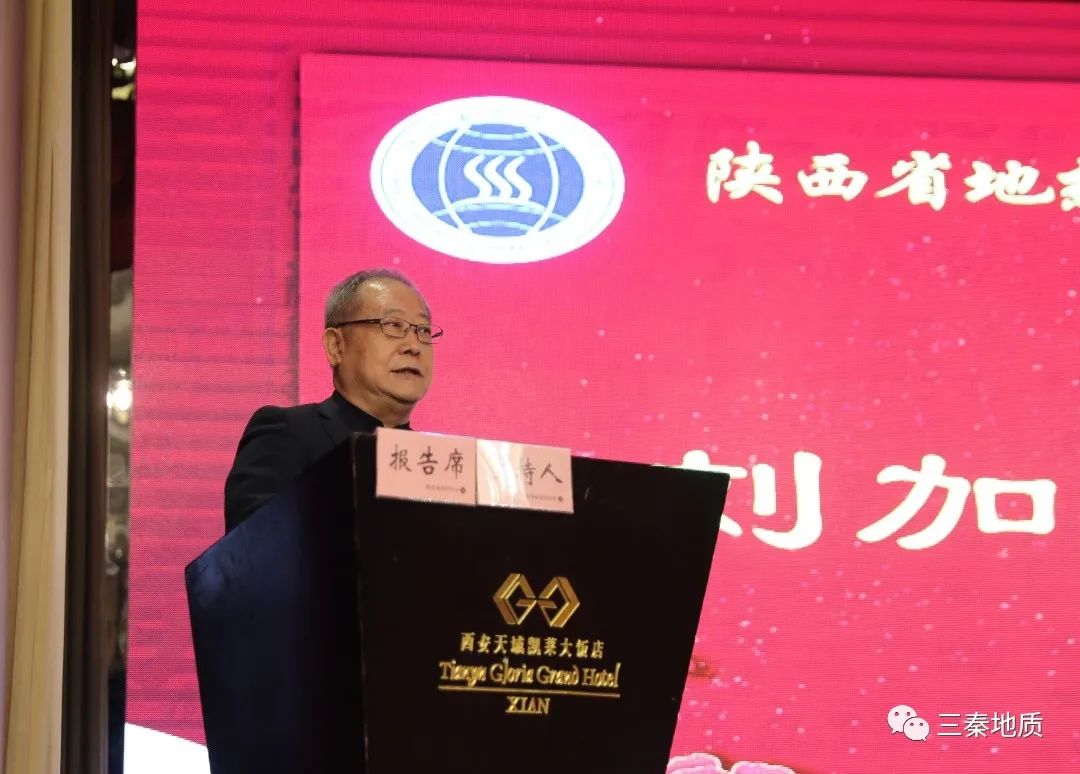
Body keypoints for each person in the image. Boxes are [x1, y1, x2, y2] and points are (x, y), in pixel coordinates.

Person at [223, 268, 440, 531]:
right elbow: (253, 542)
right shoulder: (287, 432)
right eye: (393, 325)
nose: (414, 346)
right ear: (336, 346)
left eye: (423, 330)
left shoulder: (439, 463)